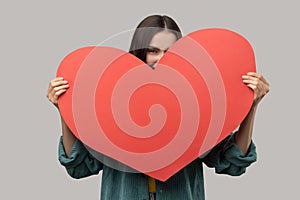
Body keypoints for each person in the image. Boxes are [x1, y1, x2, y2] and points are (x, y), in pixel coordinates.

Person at [46, 15, 270, 200]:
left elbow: (232, 163)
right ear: (139, 54)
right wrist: (64, 109)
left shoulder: (199, 105)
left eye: (170, 52)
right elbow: (79, 167)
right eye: (153, 51)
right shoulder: (110, 102)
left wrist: (251, 106)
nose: (161, 59)